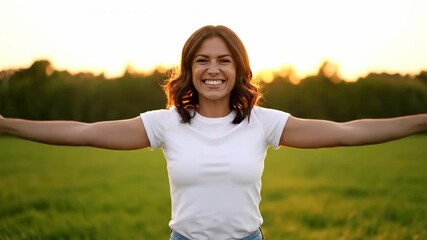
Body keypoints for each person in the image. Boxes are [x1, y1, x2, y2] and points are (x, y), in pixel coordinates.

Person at [0, 25, 426, 240]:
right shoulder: (164, 123)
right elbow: (83, 132)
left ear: (239, 68)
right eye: (202, 60)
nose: (213, 69)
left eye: (224, 60)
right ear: (189, 70)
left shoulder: (265, 122)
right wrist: (6, 125)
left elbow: (347, 132)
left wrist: (422, 120)